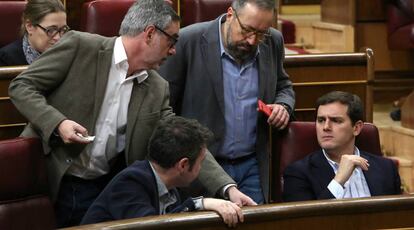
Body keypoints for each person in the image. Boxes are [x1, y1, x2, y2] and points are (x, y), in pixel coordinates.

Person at [9, 0, 251, 227]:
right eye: (172, 41)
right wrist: (58, 123)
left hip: (104, 187)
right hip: (53, 178)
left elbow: (183, 140)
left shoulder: (157, 87)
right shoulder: (80, 46)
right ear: (149, 34)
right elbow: (20, 86)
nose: (174, 51)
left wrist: (227, 188)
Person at [158, 0, 295, 204]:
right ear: (230, 14)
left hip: (252, 165)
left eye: (261, 33)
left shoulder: (273, 40)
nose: (252, 40)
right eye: (247, 30)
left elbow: (283, 86)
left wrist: (283, 106)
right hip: (199, 166)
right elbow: (166, 107)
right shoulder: (189, 41)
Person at [81, 117, 244, 227]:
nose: (201, 169)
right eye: (201, 162)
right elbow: (151, 227)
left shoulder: (171, 187)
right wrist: (201, 203)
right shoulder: (131, 182)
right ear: (183, 165)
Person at [283, 91, 402, 202]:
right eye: (321, 120)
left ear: (356, 128)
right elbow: (305, 222)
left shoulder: (386, 168)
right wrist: (338, 180)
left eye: (336, 120)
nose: (326, 127)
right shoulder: (298, 173)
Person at [0, 0, 68, 66]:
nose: (58, 38)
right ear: (29, 27)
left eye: (63, 30)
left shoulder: (68, 54)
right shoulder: (5, 59)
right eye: (51, 30)